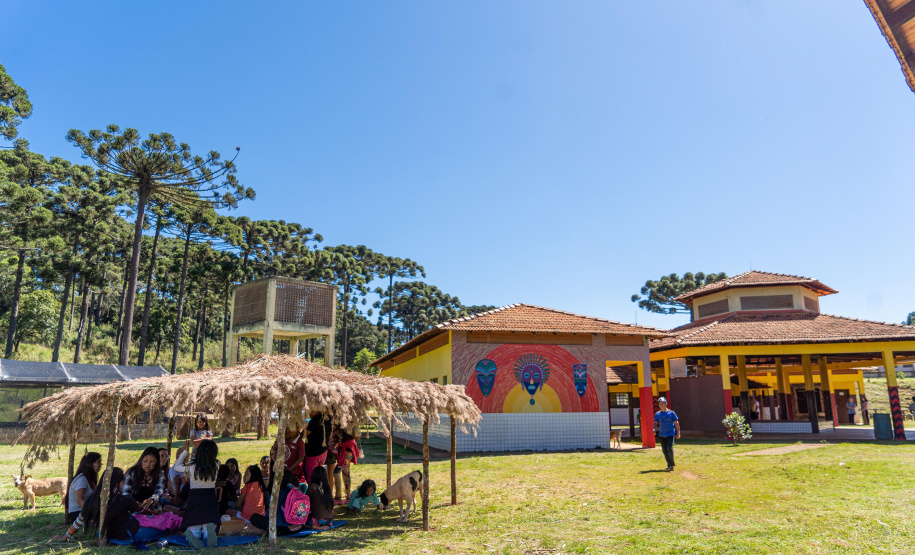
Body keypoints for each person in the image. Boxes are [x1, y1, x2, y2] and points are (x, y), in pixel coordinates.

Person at [65, 468, 162, 542]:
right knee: (162, 529)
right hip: (130, 534)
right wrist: (153, 512)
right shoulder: (125, 499)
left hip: (109, 535)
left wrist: (67, 535)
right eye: (122, 480)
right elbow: (141, 509)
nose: (124, 483)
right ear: (118, 482)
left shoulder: (92, 499)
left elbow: (80, 519)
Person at [173, 438, 221, 549]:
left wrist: (185, 451)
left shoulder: (192, 466)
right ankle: (209, 532)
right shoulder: (216, 465)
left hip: (195, 498)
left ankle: (192, 537)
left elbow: (176, 467)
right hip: (210, 498)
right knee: (208, 524)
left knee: (193, 526)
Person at [248, 469, 303, 536]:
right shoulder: (298, 489)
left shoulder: (282, 490)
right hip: (299, 525)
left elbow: (273, 510)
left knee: (254, 517)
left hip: (282, 525)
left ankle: (269, 532)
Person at [65, 452, 101, 524]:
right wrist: (93, 514)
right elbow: (79, 500)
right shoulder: (81, 479)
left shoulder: (90, 479)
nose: (101, 464)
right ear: (89, 464)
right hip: (78, 514)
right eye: (98, 462)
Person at [303, 412, 332, 483]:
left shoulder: (314, 420)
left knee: (311, 478)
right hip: (323, 453)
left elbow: (304, 434)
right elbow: (330, 435)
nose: (309, 411)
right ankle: (319, 491)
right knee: (318, 476)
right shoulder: (328, 419)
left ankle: (313, 492)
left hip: (313, 454)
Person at [653, 397, 680, 472]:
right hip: (662, 434)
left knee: (669, 448)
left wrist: (678, 433)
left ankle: (671, 465)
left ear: (666, 404)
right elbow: (655, 423)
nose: (661, 405)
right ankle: (669, 464)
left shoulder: (671, 413)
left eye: (662, 404)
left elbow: (676, 423)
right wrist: (654, 429)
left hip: (670, 434)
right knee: (664, 450)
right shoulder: (657, 414)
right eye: (659, 404)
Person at [334, 431, 360, 505]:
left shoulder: (350, 424)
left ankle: (338, 496)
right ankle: (348, 496)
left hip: (347, 451)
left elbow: (357, 436)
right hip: (347, 450)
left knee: (336, 472)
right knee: (346, 473)